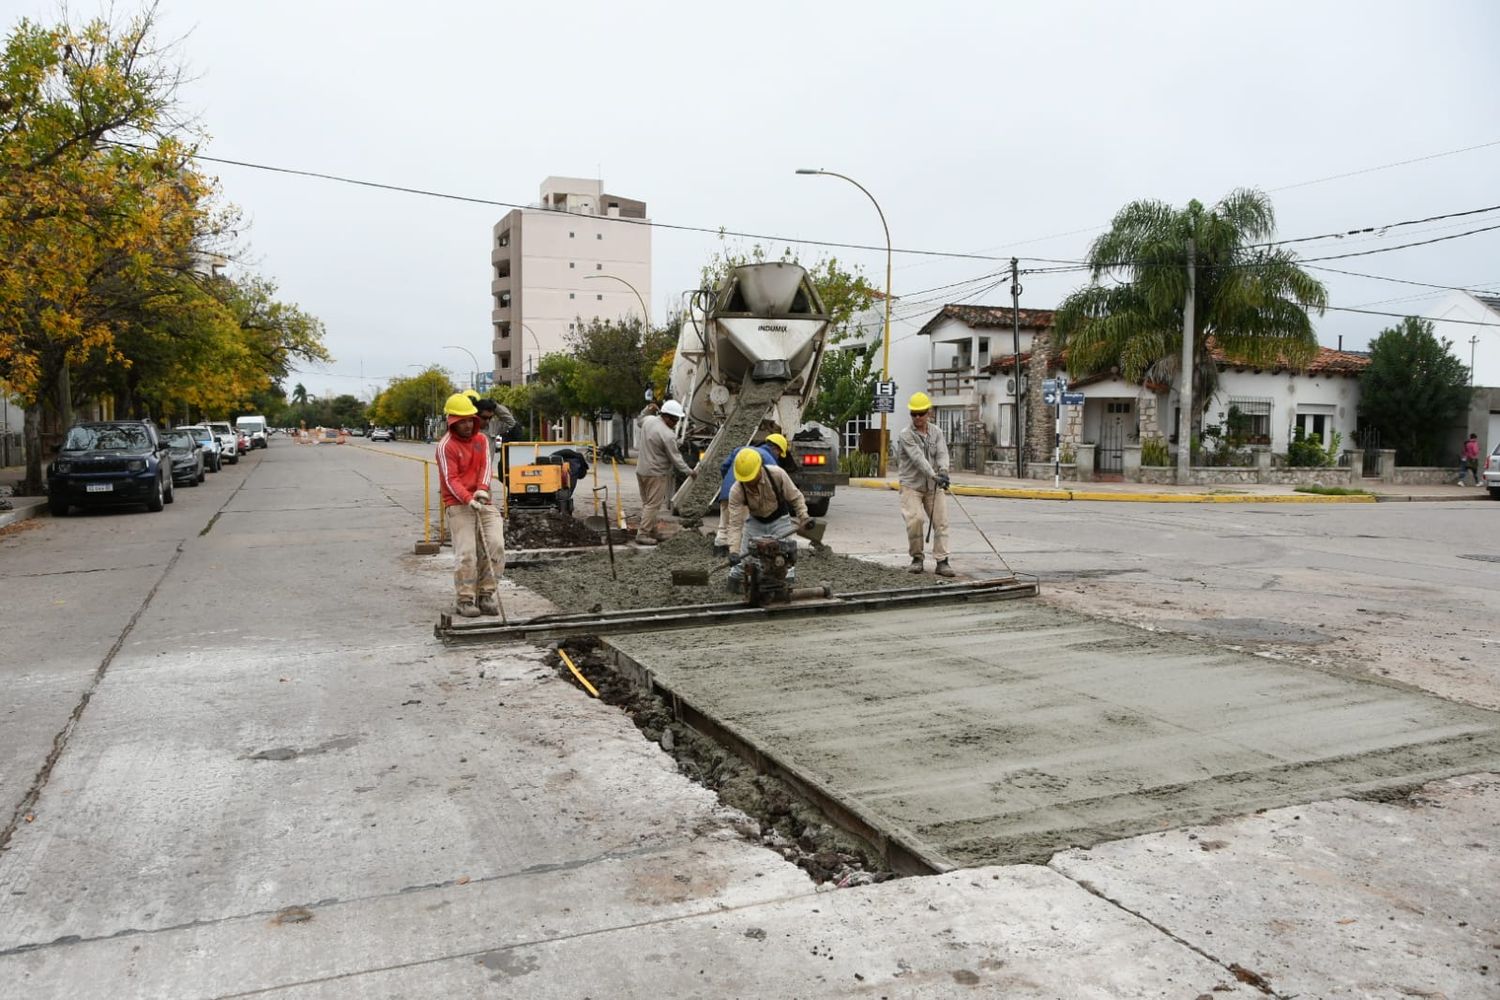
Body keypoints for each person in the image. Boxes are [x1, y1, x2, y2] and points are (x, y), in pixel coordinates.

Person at [437, 393, 505, 617]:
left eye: (469, 420)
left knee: (495, 544)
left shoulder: (482, 440)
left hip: (483, 499)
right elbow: (450, 479)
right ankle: (465, 599)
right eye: (461, 421)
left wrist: (482, 490)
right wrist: (468, 499)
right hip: (458, 504)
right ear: (452, 422)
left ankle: (486, 595)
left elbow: (486, 467)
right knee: (467, 552)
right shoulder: (446, 446)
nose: (467, 425)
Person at [724, 446, 809, 589]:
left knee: (785, 558)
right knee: (743, 561)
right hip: (755, 522)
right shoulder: (737, 490)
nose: (749, 482)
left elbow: (796, 497)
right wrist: (733, 551)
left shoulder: (777, 475)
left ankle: (784, 588)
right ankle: (733, 586)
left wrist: (804, 517)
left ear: (759, 468)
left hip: (779, 520)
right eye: (746, 480)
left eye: (751, 478)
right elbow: (734, 524)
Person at [896, 391, 955, 577]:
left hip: (933, 487)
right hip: (911, 485)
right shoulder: (906, 435)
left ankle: (942, 561)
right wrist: (933, 474)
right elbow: (918, 459)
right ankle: (917, 558)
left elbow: (942, 454)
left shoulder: (937, 432)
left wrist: (944, 470)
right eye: (914, 413)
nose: (917, 417)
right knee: (915, 521)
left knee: (941, 521)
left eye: (921, 413)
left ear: (928, 412)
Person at [713, 433, 788, 556]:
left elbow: (724, 467)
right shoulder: (769, 458)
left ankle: (719, 548)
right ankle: (739, 553)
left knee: (725, 522)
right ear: (776, 448)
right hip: (744, 494)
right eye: (780, 453)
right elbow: (772, 481)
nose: (778, 456)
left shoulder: (741, 450)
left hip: (726, 491)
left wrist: (728, 484)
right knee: (742, 525)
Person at [635, 399, 697, 545]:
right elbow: (676, 458)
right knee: (653, 505)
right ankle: (642, 534)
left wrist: (647, 409)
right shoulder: (667, 435)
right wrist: (690, 472)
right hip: (656, 474)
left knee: (648, 504)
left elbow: (639, 420)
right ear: (666, 416)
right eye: (674, 419)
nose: (676, 423)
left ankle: (651, 530)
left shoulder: (649, 421)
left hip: (641, 471)